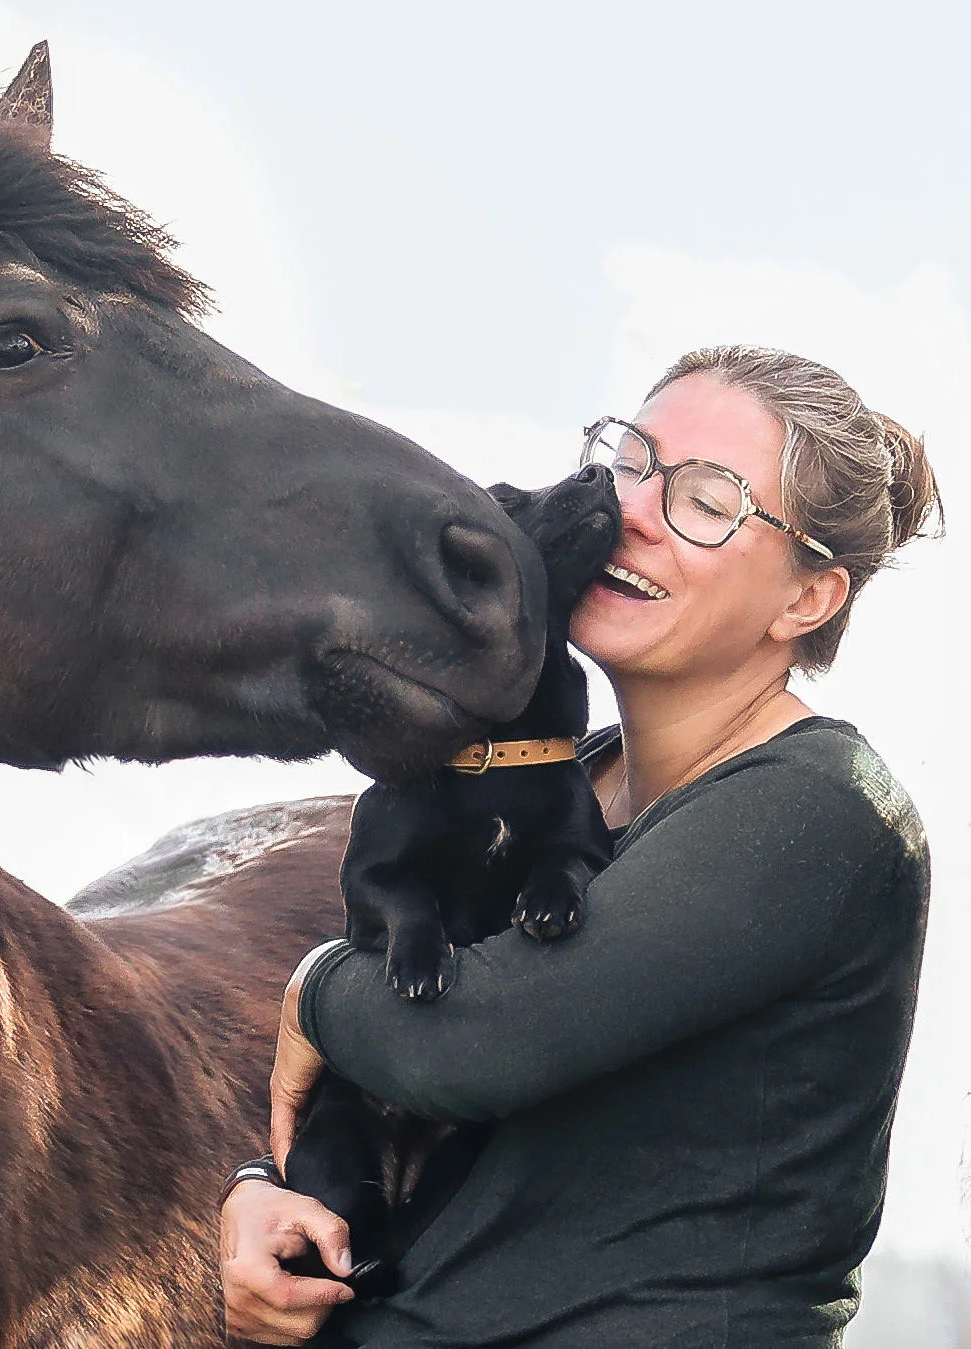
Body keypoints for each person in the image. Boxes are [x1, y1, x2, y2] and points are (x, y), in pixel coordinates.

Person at [218, 345, 943, 1348]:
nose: (631, 507)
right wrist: (262, 1190)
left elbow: (474, 1041)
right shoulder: (545, 778)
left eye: (706, 499)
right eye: (631, 457)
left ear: (806, 598)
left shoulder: (816, 811)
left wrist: (312, 989)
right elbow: (389, 1082)